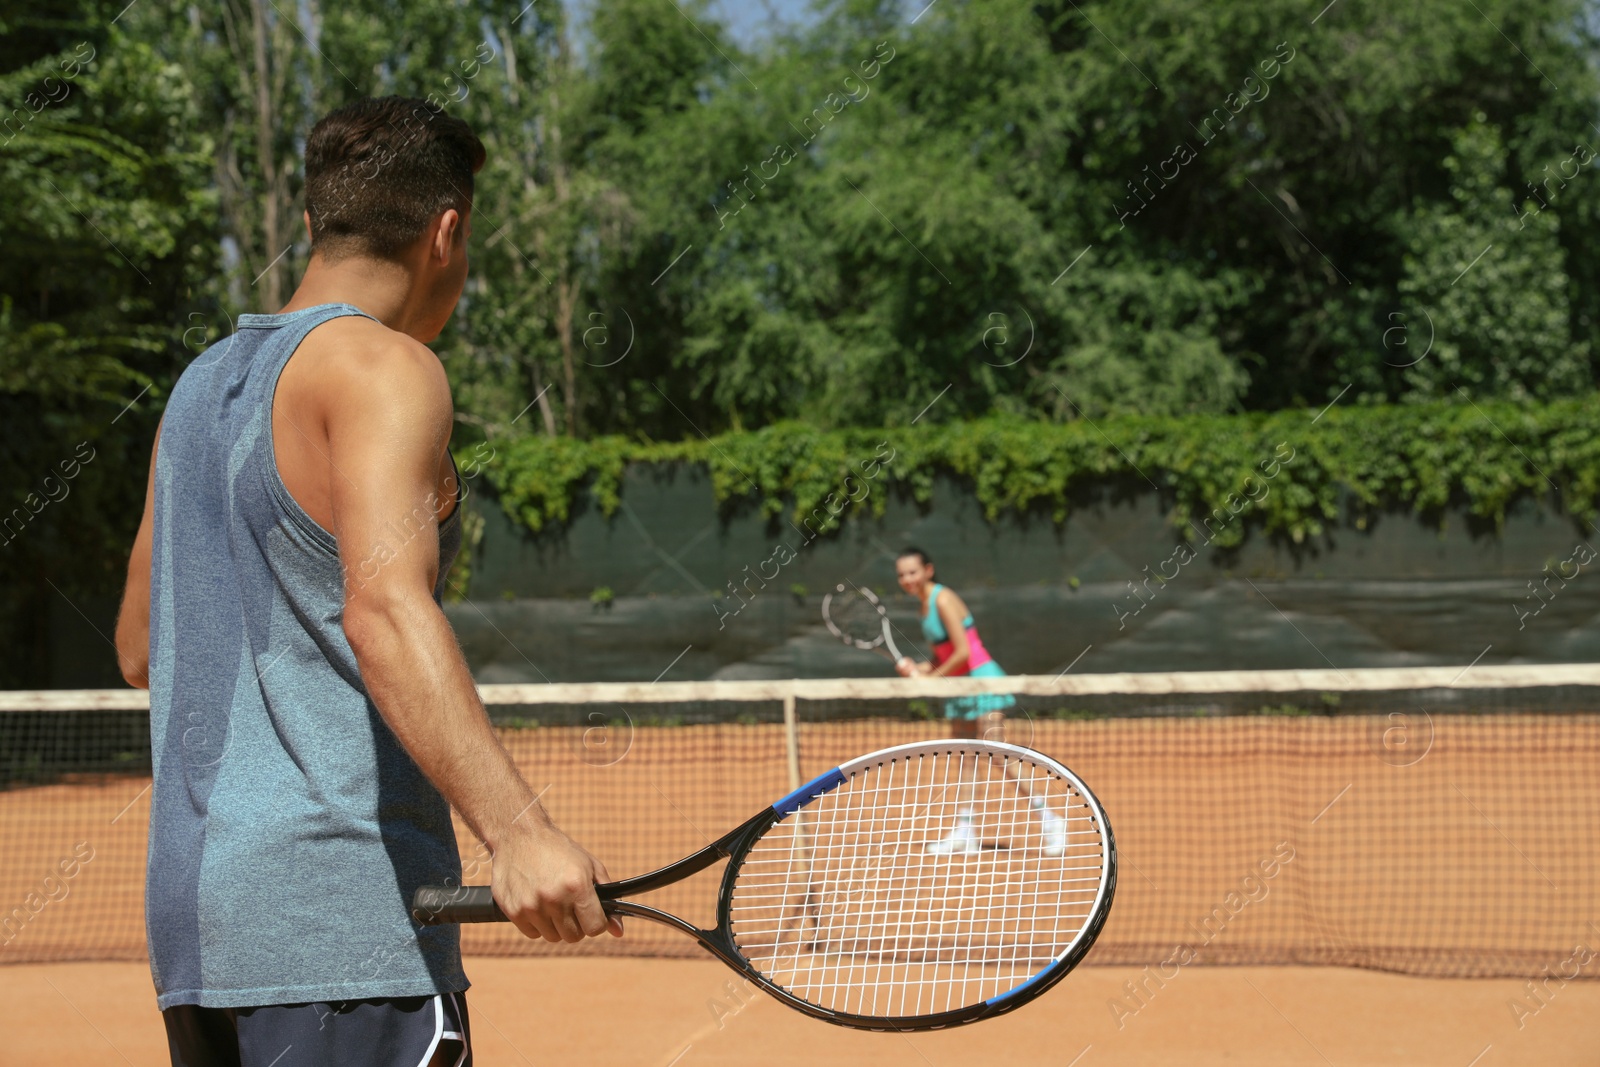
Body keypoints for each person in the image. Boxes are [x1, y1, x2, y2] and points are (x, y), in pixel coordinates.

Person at [112, 96, 617, 1067]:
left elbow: (141, 645)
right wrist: (520, 831)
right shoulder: (389, 368)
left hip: (199, 939)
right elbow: (383, 606)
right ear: (448, 231)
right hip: (344, 931)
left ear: (312, 222)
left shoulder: (197, 388)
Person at [892, 547, 1066, 857]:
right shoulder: (923, 608)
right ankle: (965, 830)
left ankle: (1051, 820)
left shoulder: (942, 599)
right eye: (902, 574)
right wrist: (915, 669)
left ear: (928, 571)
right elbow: (942, 657)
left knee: (997, 751)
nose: (907, 579)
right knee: (966, 756)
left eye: (913, 572)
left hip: (982, 679)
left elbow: (962, 652)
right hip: (959, 685)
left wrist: (929, 680)